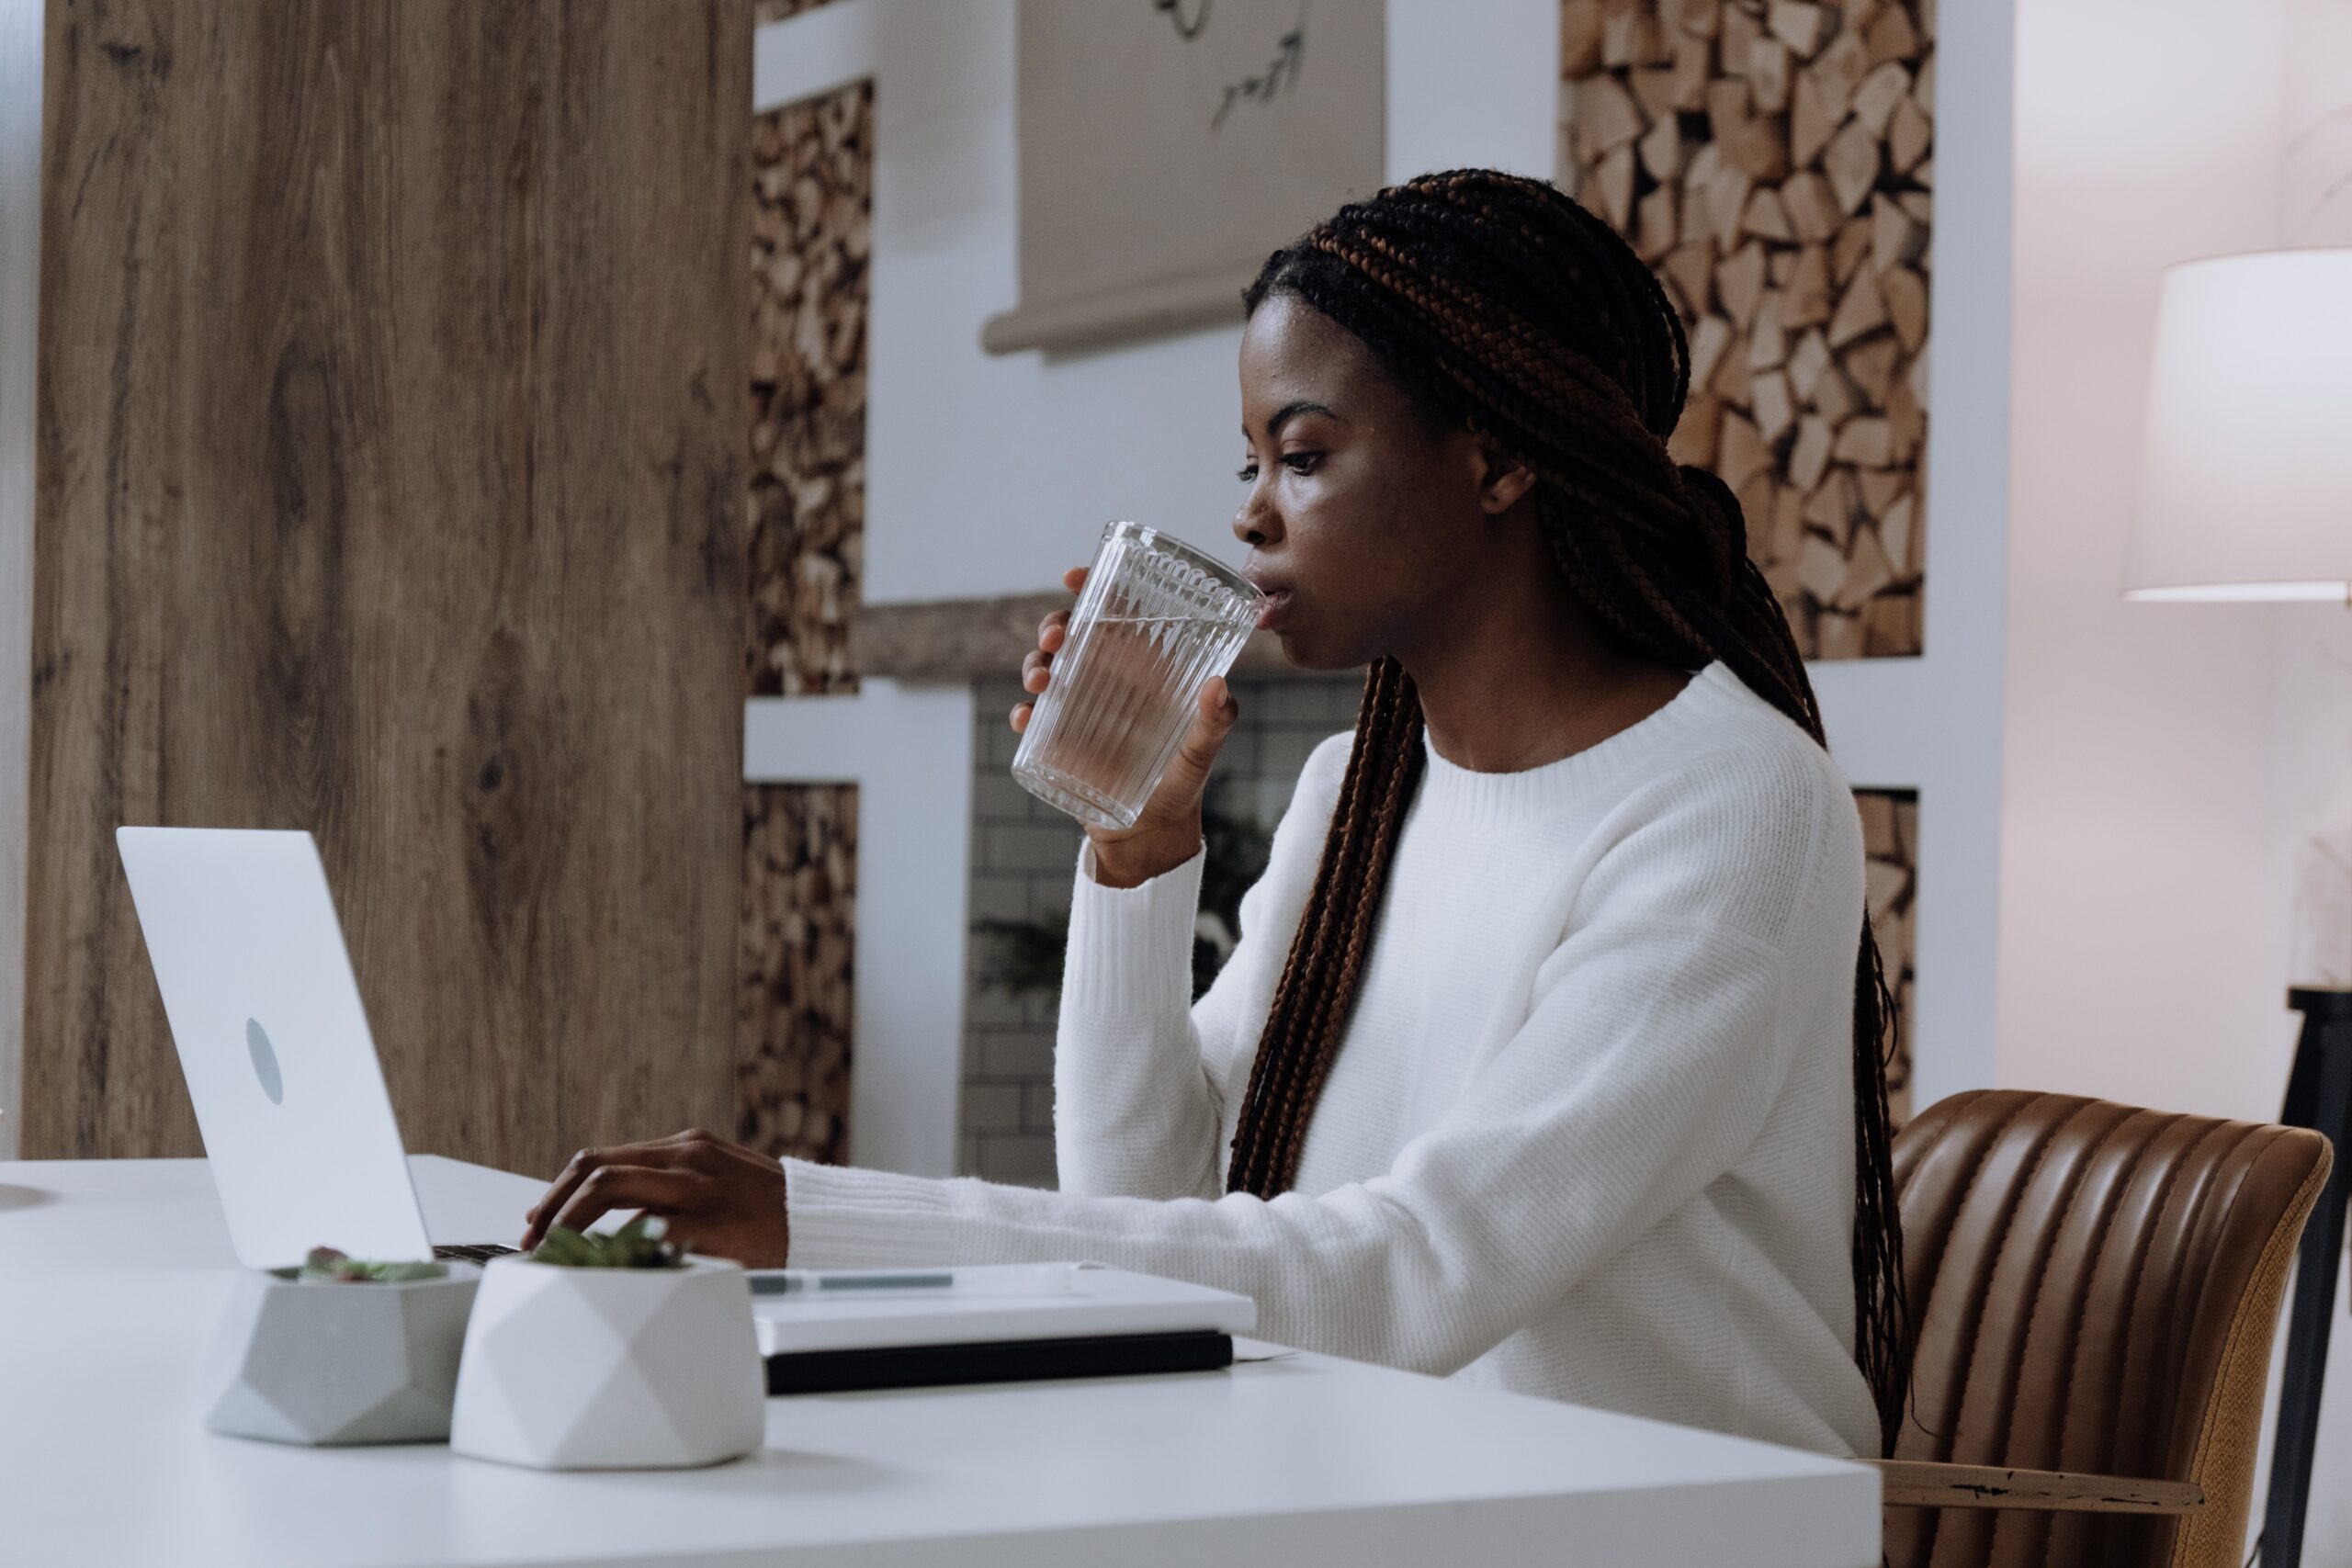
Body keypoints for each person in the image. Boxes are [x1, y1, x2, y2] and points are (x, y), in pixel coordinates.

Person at [522, 168, 1907, 1459]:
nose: (1252, 516)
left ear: (1497, 462)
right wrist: (1138, 855)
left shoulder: (1732, 809)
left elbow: (1408, 1277)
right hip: (1390, 1494)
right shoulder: (1358, 791)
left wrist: (814, 1217)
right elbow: (1161, 1201)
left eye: (1300, 456)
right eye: (1245, 464)